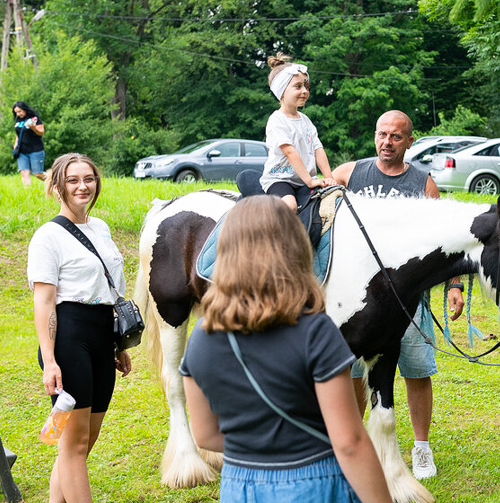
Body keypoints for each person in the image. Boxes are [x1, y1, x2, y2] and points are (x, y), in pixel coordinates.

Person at [180, 195, 392, 503]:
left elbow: (205, 435)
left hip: (239, 485)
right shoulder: (315, 332)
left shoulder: (200, 337)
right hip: (314, 481)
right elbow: (349, 442)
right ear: (293, 248)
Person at [332, 110, 464, 480]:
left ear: (409, 140)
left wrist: (454, 286)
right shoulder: (350, 174)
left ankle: (421, 448)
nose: (386, 142)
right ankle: (356, 443)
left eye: (395, 136)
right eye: (381, 134)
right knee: (357, 372)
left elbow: (446, 245)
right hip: (360, 304)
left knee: (417, 371)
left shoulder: (423, 184)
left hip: (409, 303)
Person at [28, 153, 132, 502]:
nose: (82, 186)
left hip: (103, 335)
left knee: (84, 443)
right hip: (68, 339)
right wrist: (50, 360)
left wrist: (119, 345)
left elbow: (110, 290)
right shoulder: (47, 236)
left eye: (88, 178)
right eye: (72, 180)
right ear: (57, 187)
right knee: (74, 445)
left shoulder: (100, 228)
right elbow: (44, 303)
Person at [260, 53, 335, 211]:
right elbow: (289, 151)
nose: (304, 91)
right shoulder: (277, 120)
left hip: (303, 179)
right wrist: (309, 181)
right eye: (298, 86)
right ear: (281, 91)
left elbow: (318, 149)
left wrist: (329, 178)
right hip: (280, 179)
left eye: (306, 86)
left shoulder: (305, 120)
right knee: (290, 206)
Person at [12, 101, 46, 186]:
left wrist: (33, 128)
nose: (18, 114)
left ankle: (55, 182)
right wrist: (15, 144)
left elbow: (41, 132)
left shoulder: (34, 118)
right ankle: (28, 194)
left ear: (25, 109)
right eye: (16, 112)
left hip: (35, 150)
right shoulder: (18, 119)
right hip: (22, 151)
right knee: (24, 172)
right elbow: (18, 133)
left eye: (19, 111)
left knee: (38, 174)